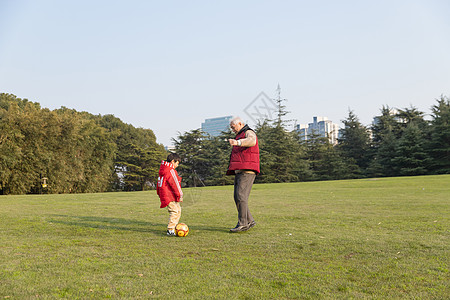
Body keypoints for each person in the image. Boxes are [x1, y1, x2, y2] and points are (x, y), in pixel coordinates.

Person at [226, 116, 260, 232]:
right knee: (237, 197)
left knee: (241, 196)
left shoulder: (248, 132)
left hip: (247, 170)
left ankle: (243, 224)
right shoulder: (240, 134)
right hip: (240, 170)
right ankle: (249, 220)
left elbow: (252, 141)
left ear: (240, 124)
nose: (232, 130)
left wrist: (237, 142)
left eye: (233, 127)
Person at [157, 153, 183, 236]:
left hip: (166, 194)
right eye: (177, 163)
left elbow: (158, 184)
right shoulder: (170, 171)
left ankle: (174, 227)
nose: (177, 165)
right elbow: (175, 184)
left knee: (178, 210)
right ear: (172, 161)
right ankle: (170, 229)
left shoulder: (163, 169)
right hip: (169, 195)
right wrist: (180, 195)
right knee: (174, 211)